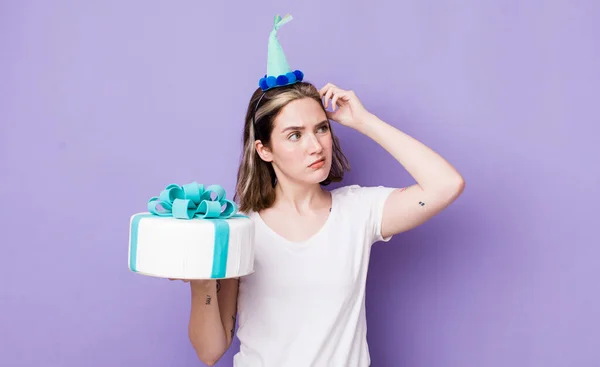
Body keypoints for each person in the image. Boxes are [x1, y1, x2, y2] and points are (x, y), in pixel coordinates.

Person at [179, 15, 465, 367]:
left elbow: (445, 185)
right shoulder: (240, 227)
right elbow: (210, 352)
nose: (316, 146)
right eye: (295, 135)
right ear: (264, 150)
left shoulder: (358, 212)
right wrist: (202, 282)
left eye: (321, 129)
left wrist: (364, 121)